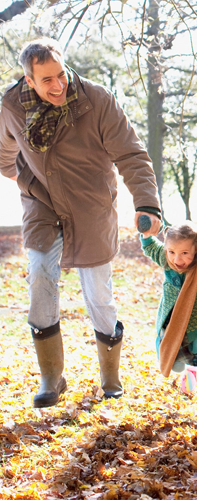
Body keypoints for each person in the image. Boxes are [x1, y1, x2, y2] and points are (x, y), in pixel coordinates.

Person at [0, 37, 161, 408]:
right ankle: (52, 378)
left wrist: (147, 205)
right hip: (41, 204)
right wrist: (22, 177)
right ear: (29, 81)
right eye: (47, 81)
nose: (59, 86)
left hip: (91, 206)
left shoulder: (97, 100)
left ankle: (110, 376)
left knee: (98, 294)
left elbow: (132, 154)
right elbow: (7, 154)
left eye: (61, 75)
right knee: (39, 274)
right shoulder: (11, 106)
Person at [140, 221, 197, 417]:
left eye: (184, 253)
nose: (177, 259)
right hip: (175, 324)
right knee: (175, 364)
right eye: (172, 251)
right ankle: (190, 370)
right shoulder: (167, 259)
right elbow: (150, 246)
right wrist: (147, 233)